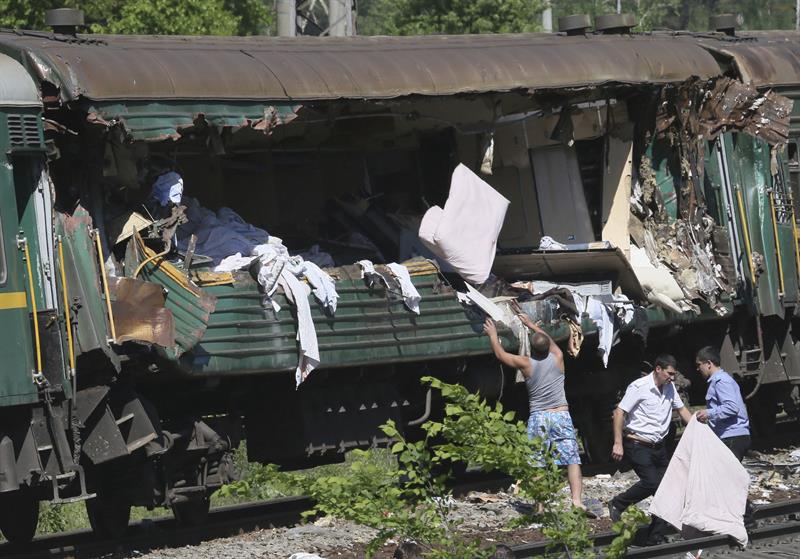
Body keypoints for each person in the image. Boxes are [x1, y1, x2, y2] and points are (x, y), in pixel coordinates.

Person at [483, 313, 587, 512]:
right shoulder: (558, 357)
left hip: (539, 417)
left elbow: (501, 355)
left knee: (538, 462)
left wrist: (492, 334)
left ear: (533, 348)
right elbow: (547, 340)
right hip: (561, 415)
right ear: (547, 346)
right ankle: (576, 501)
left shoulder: (526, 363)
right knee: (572, 459)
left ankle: (540, 506)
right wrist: (531, 324)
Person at [609, 354, 692, 545]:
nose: (672, 377)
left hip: (659, 447)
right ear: (658, 369)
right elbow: (619, 412)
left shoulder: (670, 387)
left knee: (666, 492)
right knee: (652, 482)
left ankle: (655, 535)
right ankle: (618, 503)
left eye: (673, 374)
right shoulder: (639, 387)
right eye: (669, 373)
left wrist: (699, 428)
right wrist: (618, 442)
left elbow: (683, 410)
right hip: (638, 444)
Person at [694, 345, 753, 525]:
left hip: (734, 436)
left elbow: (731, 407)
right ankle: (740, 515)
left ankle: (747, 516)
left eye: (699, 365)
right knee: (725, 477)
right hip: (730, 435)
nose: (698, 369)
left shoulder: (721, 381)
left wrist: (709, 413)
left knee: (727, 478)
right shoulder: (720, 380)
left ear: (709, 363)